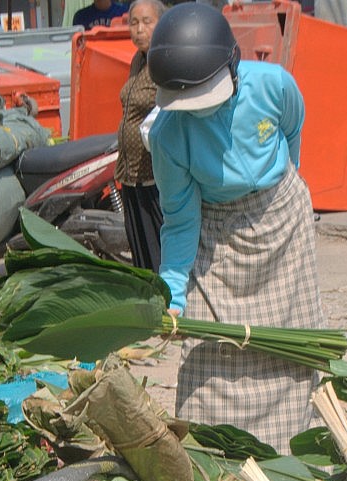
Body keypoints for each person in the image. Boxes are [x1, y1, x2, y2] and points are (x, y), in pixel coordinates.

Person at [146, 3, 322, 454]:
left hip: (282, 225)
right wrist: (173, 293)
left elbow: (293, 128)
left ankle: (289, 457)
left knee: (291, 353)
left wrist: (290, 187)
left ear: (233, 66)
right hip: (217, 232)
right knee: (212, 353)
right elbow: (181, 219)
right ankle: (215, 457)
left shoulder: (273, 85)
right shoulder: (169, 136)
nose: (197, 112)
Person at [114, 0, 165, 272]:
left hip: (153, 176)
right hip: (131, 175)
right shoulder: (138, 60)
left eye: (147, 22)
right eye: (133, 23)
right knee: (140, 249)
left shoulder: (164, 62)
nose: (139, 29)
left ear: (161, 24)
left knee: (158, 248)